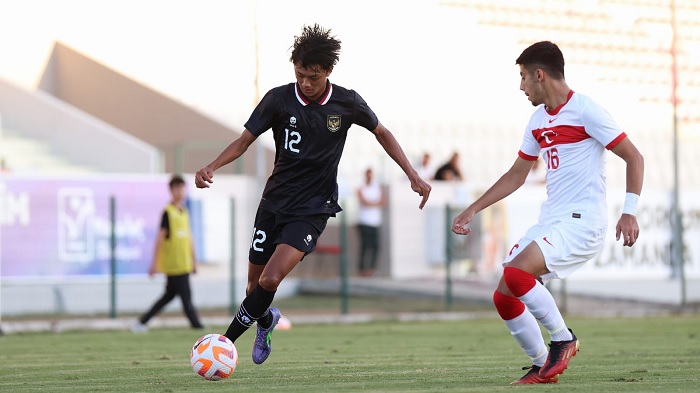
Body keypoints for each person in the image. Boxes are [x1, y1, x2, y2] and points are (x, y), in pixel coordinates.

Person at [194, 24, 431, 365]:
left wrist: (412, 174)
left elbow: (382, 132)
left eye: (314, 76)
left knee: (271, 278)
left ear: (329, 71)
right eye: (301, 74)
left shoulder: (347, 102)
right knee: (253, 290)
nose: (306, 82)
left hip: (312, 208)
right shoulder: (278, 99)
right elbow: (245, 139)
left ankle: (223, 344)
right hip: (273, 203)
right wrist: (212, 166)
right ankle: (267, 320)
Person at [451, 41, 644, 385]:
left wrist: (629, 211)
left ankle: (563, 339)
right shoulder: (538, 119)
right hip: (552, 221)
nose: (521, 86)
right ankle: (542, 366)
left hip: (583, 223)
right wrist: (473, 209)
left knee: (516, 276)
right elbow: (516, 174)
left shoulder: (587, 110)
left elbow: (634, 157)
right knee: (504, 295)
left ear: (539, 74)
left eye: (524, 77)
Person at [132, 175, 204, 333]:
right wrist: (154, 264)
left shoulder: (184, 211)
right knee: (186, 297)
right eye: (176, 188)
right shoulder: (168, 212)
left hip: (184, 263)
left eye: (182, 188)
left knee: (168, 296)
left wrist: (194, 261)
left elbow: (189, 238)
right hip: (174, 264)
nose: (179, 191)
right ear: (171, 191)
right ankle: (197, 326)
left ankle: (141, 322)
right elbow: (159, 239)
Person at [356, 167, 386, 277]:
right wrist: (374, 203)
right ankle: (362, 269)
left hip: (374, 222)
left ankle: (371, 269)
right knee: (364, 246)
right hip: (364, 221)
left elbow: (382, 201)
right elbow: (364, 202)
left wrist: (371, 203)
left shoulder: (376, 187)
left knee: (375, 246)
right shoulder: (361, 187)